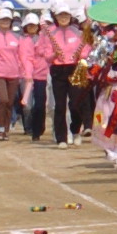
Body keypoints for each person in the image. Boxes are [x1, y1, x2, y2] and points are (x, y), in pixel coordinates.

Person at [45, 8, 87, 146]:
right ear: (55, 17)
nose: (63, 17)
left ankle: (75, 130)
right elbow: (47, 56)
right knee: (60, 105)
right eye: (60, 15)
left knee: (76, 103)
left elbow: (87, 49)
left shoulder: (78, 32)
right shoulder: (51, 34)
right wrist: (55, 55)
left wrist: (81, 55)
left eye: (66, 14)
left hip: (75, 68)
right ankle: (61, 138)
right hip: (58, 70)